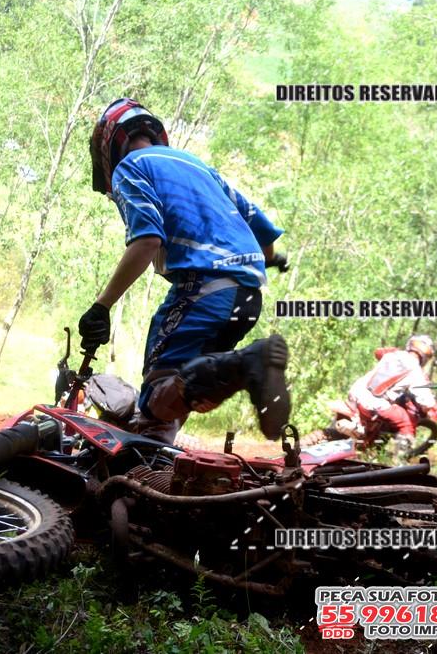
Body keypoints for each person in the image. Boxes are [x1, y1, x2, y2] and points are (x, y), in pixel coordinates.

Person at [79, 97, 290, 445]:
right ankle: (157, 458)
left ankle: (248, 362)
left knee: (155, 395)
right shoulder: (200, 167)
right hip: (247, 295)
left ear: (109, 146)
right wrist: (271, 258)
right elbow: (262, 234)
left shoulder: (130, 167)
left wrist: (101, 306)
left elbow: (147, 240)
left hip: (204, 286)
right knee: (185, 386)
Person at [345, 334, 437, 456]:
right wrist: (433, 406)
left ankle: (366, 441)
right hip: (373, 403)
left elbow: (378, 352)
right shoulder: (416, 371)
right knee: (406, 423)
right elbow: (425, 400)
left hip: (355, 392)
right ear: (425, 357)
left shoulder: (391, 354)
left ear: (410, 345)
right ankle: (399, 459)